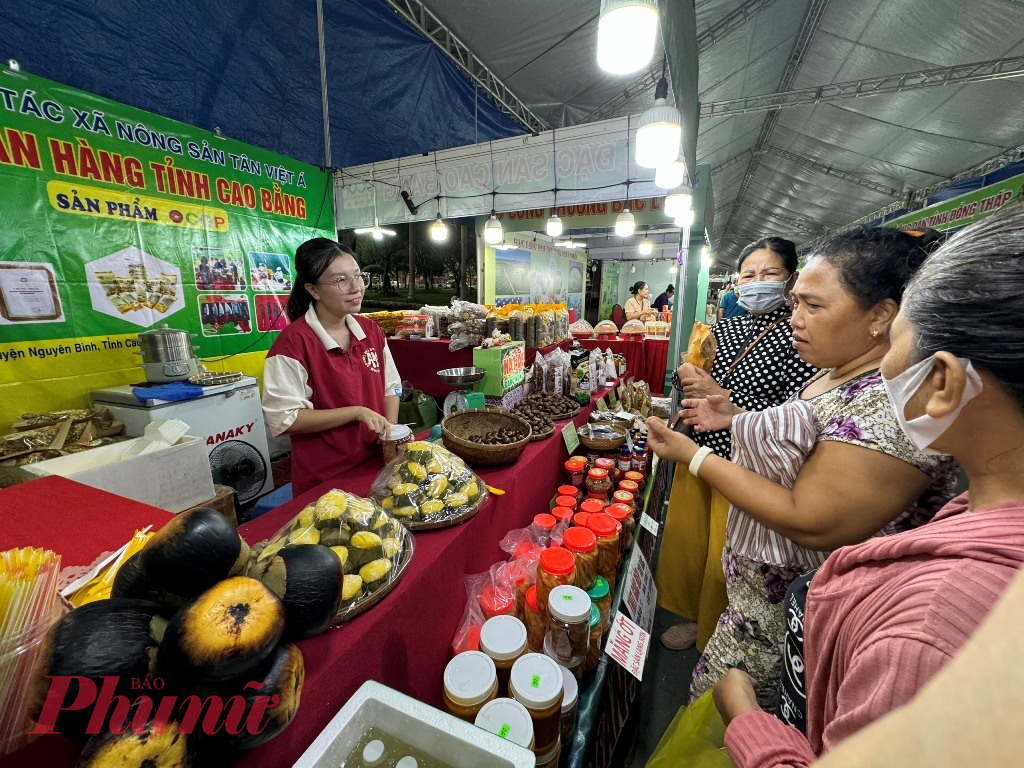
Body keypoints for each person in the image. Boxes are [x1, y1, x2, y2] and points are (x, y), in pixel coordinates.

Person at [713, 204, 1024, 767]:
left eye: (902, 341)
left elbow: (814, 518)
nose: (884, 372)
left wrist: (745, 717)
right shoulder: (972, 512)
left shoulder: (935, 623)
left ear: (945, 380)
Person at [649, 227, 959, 706]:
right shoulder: (836, 366)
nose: (796, 318)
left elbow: (808, 519)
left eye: (813, 306)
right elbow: (806, 432)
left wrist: (694, 455)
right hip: (758, 606)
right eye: (796, 304)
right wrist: (733, 416)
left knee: (736, 730)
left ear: (881, 315)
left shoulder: (890, 403)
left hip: (797, 622)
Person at [657, 237, 818, 652]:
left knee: (726, 558)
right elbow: (693, 375)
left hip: (749, 466)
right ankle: (695, 618)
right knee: (692, 546)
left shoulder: (797, 335)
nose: (757, 282)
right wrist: (686, 377)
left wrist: (732, 403)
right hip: (699, 451)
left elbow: (798, 411)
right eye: (749, 274)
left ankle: (718, 634)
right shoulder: (723, 327)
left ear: (791, 280)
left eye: (770, 274)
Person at [262, 238, 402, 496]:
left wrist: (389, 435)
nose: (356, 288)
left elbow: (391, 388)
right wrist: (355, 412)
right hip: (326, 481)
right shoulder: (293, 344)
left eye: (358, 276)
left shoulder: (371, 331)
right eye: (341, 280)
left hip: (375, 466)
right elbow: (285, 419)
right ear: (313, 290)